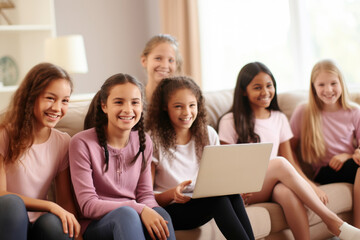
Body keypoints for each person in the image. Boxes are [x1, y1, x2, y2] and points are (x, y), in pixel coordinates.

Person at [218, 61, 360, 240]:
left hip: (272, 184)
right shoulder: (229, 121)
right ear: (243, 91)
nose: (265, 92)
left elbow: (290, 161)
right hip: (244, 189)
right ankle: (332, 221)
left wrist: (308, 184)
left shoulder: (279, 118)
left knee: (286, 192)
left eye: (269, 86)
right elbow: (226, 166)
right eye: (257, 87)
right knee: (279, 163)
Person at [145, 76, 255, 240]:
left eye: (192, 105)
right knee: (217, 198)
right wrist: (171, 194)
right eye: (178, 106)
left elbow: (219, 180)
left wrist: (235, 186)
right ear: (164, 107)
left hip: (203, 202)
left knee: (229, 194)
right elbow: (146, 196)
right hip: (172, 209)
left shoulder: (208, 133)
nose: (187, 112)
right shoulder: (153, 141)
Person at [69, 73, 175, 240]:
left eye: (135, 102)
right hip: (97, 224)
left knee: (162, 217)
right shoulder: (81, 143)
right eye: (119, 102)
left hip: (133, 216)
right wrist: (139, 209)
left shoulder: (144, 141)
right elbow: (87, 205)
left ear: (141, 106)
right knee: (126, 215)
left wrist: (152, 212)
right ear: (104, 106)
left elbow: (145, 195)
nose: (128, 109)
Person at [0, 62, 81, 240]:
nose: (57, 108)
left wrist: (78, 235)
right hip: (7, 220)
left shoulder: (63, 142)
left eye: (65, 101)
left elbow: (66, 201)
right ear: (31, 97)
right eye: (50, 98)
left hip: (39, 225)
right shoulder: (4, 134)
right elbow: (1, 194)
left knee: (55, 223)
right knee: (12, 204)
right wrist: (50, 205)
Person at [290, 59, 360, 227]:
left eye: (333, 83)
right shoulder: (304, 112)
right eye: (321, 85)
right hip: (325, 171)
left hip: (350, 165)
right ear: (313, 87)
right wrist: (305, 180)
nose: (328, 90)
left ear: (341, 83)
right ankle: (357, 229)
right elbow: (288, 150)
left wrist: (349, 155)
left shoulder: (354, 111)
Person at [140, 34, 183, 102]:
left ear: (176, 64)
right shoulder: (135, 100)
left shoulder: (183, 101)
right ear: (144, 61)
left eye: (171, 60)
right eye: (158, 58)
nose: (165, 66)